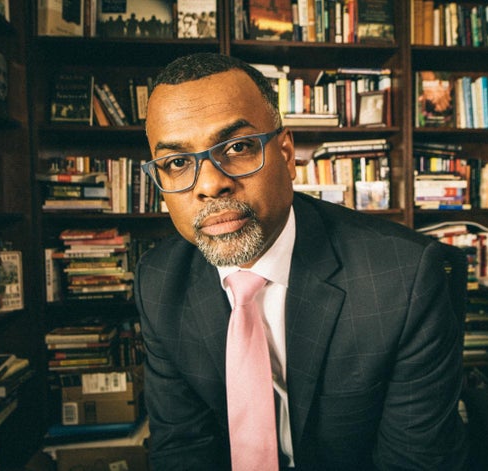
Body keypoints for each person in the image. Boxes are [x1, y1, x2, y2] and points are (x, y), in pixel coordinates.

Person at [136, 53, 467, 470]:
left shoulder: (404, 278)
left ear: (288, 154)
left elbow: (414, 463)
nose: (211, 184)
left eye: (238, 147)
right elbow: (182, 450)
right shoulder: (159, 281)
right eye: (178, 163)